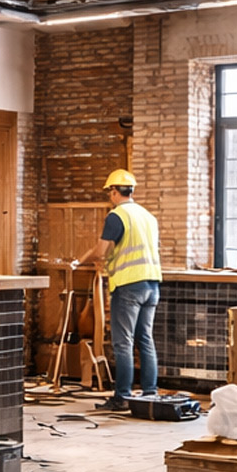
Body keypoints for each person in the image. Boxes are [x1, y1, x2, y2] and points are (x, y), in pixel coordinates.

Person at [72, 168, 161, 413]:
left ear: (114, 191)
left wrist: (80, 261)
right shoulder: (147, 216)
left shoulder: (117, 216)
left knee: (123, 343)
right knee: (145, 340)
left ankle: (122, 397)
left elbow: (102, 251)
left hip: (128, 285)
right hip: (152, 284)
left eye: (109, 192)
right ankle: (150, 394)